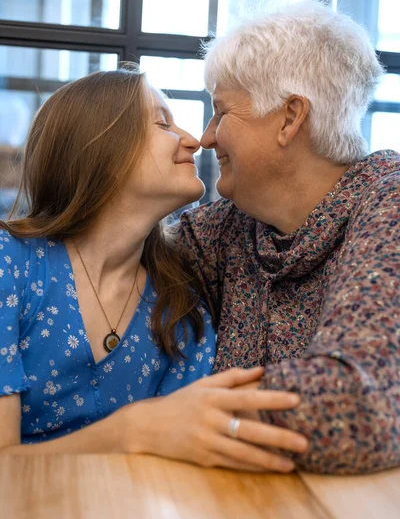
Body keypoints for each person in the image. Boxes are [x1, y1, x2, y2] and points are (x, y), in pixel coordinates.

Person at [0, 66, 307, 470]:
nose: (194, 141)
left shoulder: (181, 307)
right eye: (163, 123)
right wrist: (130, 432)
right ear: (101, 147)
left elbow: (183, 454)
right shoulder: (10, 264)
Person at [174, 0, 400, 475]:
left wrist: (162, 422)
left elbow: (355, 406)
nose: (207, 137)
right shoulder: (228, 229)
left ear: (291, 117)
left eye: (221, 112)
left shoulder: (390, 201)